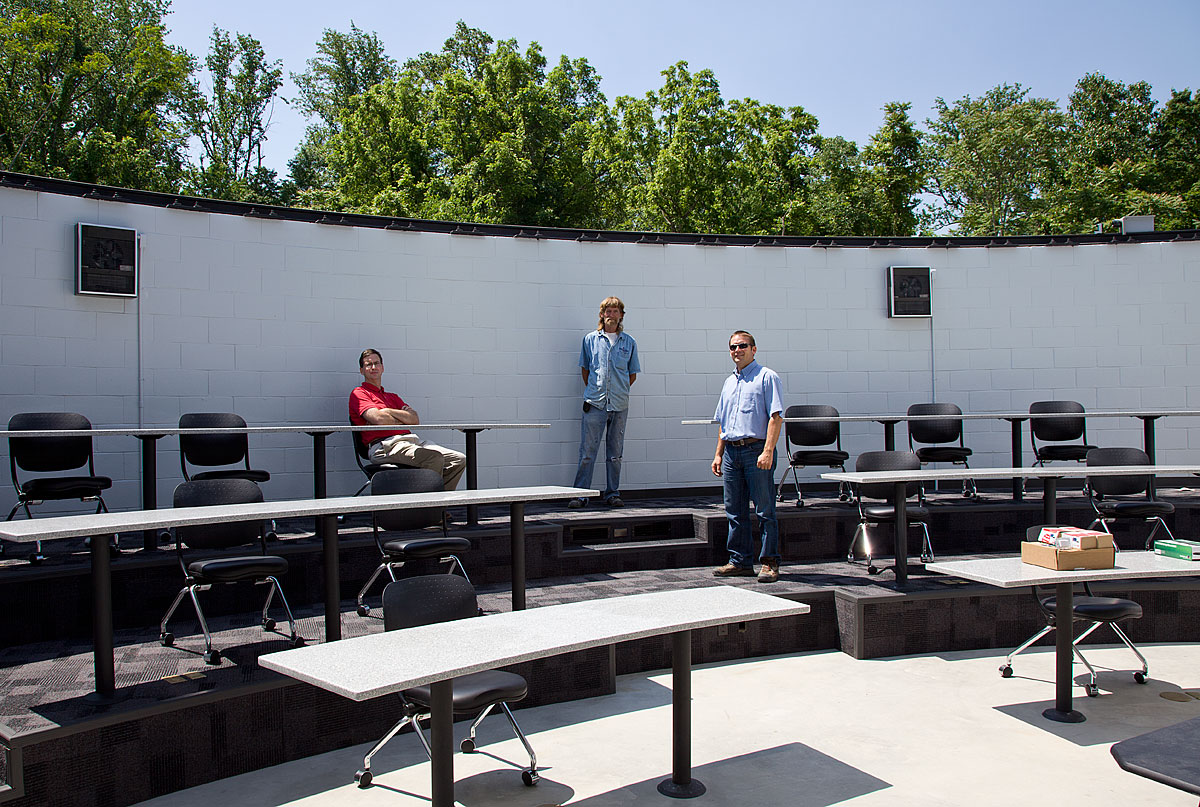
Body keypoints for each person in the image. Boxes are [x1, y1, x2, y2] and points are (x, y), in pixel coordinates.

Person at [711, 330, 784, 583]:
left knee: (764, 510)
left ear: (754, 349)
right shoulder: (728, 383)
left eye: (742, 346)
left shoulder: (767, 377)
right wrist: (718, 454)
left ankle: (769, 562)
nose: (737, 351)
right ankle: (740, 562)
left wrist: (768, 450)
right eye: (733, 347)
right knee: (734, 510)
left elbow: (776, 417)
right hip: (732, 453)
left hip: (756, 451)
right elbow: (724, 422)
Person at [349, 348, 466, 491]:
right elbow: (378, 419)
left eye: (377, 363)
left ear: (382, 367)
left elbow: (414, 419)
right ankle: (427, 504)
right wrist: (401, 418)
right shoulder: (359, 393)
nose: (373, 367)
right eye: (368, 364)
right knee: (433, 458)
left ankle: (439, 501)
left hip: (410, 441)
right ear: (361, 370)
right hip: (384, 446)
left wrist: (388, 411)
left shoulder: (393, 397)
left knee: (458, 459)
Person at [568, 296, 641, 508]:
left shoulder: (629, 342)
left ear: (621, 315)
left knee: (615, 454)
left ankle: (612, 494)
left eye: (616, 311)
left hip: (619, 405)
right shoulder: (590, 340)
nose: (611, 315)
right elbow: (585, 370)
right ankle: (581, 495)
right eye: (608, 311)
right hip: (595, 404)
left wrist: (618, 390)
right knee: (587, 453)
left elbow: (632, 374)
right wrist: (597, 390)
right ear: (602, 314)